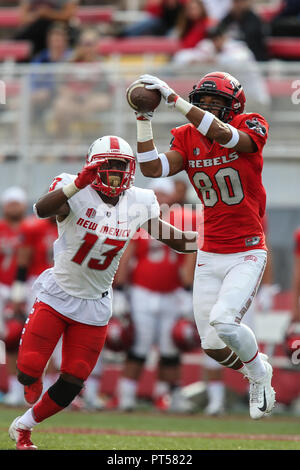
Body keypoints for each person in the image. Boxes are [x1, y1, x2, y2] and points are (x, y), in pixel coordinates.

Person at [8, 135, 198, 450]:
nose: (114, 172)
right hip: (58, 294)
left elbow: (175, 239)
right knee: (28, 371)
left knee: (74, 380)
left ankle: (24, 427)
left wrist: (215, 240)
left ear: (131, 168)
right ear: (92, 166)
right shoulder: (72, 186)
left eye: (120, 165)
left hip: (95, 304)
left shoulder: (139, 200)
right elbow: (42, 210)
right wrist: (76, 185)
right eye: (107, 165)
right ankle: (32, 381)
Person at [131, 70, 276, 420]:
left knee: (225, 323)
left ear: (235, 105)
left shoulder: (251, 123)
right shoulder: (186, 135)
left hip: (247, 248)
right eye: (204, 102)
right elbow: (151, 168)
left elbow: (227, 137)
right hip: (210, 251)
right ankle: (254, 365)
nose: (209, 108)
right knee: (211, 345)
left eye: (217, 103)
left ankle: (260, 375)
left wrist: (175, 100)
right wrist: (143, 119)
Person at [115, 178, 196, 413]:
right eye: (155, 194)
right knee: (139, 343)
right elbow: (126, 257)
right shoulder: (138, 219)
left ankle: (172, 396)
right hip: (141, 291)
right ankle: (126, 395)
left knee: (170, 346)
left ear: (172, 197)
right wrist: (120, 291)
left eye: (163, 194)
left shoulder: (184, 218)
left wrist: (186, 291)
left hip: (172, 293)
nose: (160, 198)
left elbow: (190, 257)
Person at [0, 187, 28, 407]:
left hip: (26, 287)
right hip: (1, 287)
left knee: (25, 338)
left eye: (16, 203)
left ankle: (24, 388)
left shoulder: (30, 228)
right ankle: (12, 387)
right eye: (10, 203)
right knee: (7, 339)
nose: (13, 207)